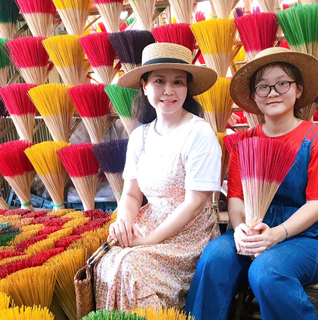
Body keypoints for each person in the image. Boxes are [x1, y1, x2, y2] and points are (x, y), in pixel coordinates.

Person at [186, 47, 318, 320]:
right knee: (214, 256)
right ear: (255, 97)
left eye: (282, 83)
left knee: (267, 270)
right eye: (263, 87)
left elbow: (317, 205)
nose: (273, 92)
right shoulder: (244, 143)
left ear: (299, 89)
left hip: (307, 239)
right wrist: (240, 228)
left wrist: (276, 234)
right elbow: (235, 199)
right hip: (253, 233)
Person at [94, 42, 222, 310]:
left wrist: (149, 240)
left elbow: (195, 202)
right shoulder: (140, 136)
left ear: (187, 88)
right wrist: (124, 222)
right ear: (144, 85)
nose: (169, 91)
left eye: (178, 82)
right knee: (105, 264)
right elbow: (130, 193)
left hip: (187, 235)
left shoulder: (199, 134)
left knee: (132, 268)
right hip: (148, 223)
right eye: (159, 81)